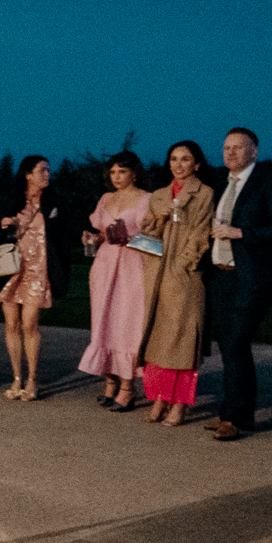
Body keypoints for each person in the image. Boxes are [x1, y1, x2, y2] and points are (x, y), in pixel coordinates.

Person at [206, 127, 272, 440]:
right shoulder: (221, 184)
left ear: (255, 151)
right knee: (230, 346)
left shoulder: (271, 182)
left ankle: (236, 417)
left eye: (238, 148)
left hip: (254, 276)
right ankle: (232, 411)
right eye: (226, 147)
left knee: (235, 343)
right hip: (221, 275)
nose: (230, 153)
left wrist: (241, 233)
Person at [138, 141, 215, 427]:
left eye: (185, 159)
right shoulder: (158, 196)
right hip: (156, 274)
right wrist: (160, 218)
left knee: (182, 340)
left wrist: (183, 265)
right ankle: (160, 396)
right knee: (158, 340)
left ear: (197, 164)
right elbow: (147, 232)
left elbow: (201, 234)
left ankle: (180, 402)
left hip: (184, 275)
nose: (178, 164)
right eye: (173, 158)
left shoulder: (204, 194)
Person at [78, 152, 152, 411]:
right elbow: (102, 233)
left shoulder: (146, 199)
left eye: (122, 171)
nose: (117, 177)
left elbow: (157, 242)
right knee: (104, 322)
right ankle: (109, 381)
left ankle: (128, 387)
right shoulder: (106, 198)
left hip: (132, 265)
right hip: (105, 265)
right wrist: (94, 238)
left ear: (134, 172)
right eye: (113, 172)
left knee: (127, 324)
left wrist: (130, 239)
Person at [0, 155, 56, 402]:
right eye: (42, 170)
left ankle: (32, 379)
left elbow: (61, 234)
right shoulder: (11, 201)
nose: (47, 174)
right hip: (12, 270)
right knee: (11, 324)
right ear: (28, 173)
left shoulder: (51, 202)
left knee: (30, 324)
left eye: (48, 170)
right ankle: (17, 378)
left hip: (38, 271)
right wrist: (4, 225)